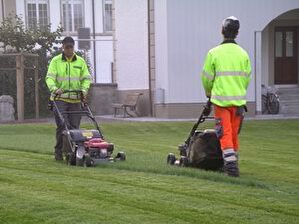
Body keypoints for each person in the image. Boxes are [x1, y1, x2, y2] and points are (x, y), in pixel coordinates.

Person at [201, 16, 252, 177]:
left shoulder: (214, 53)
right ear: (237, 32)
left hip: (221, 102)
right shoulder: (243, 54)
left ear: (222, 31)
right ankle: (233, 161)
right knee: (234, 134)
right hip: (238, 103)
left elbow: (206, 78)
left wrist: (209, 95)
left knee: (225, 134)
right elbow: (246, 78)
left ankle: (231, 168)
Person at [46, 36, 91, 161]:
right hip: (60, 98)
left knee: (75, 127)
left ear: (73, 47)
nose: (69, 50)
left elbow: (86, 79)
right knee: (63, 125)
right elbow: (49, 78)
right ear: (63, 47)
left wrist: (84, 91)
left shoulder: (80, 61)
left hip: (76, 99)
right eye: (66, 47)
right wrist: (55, 89)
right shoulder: (56, 61)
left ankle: (75, 152)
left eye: (71, 47)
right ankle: (59, 151)